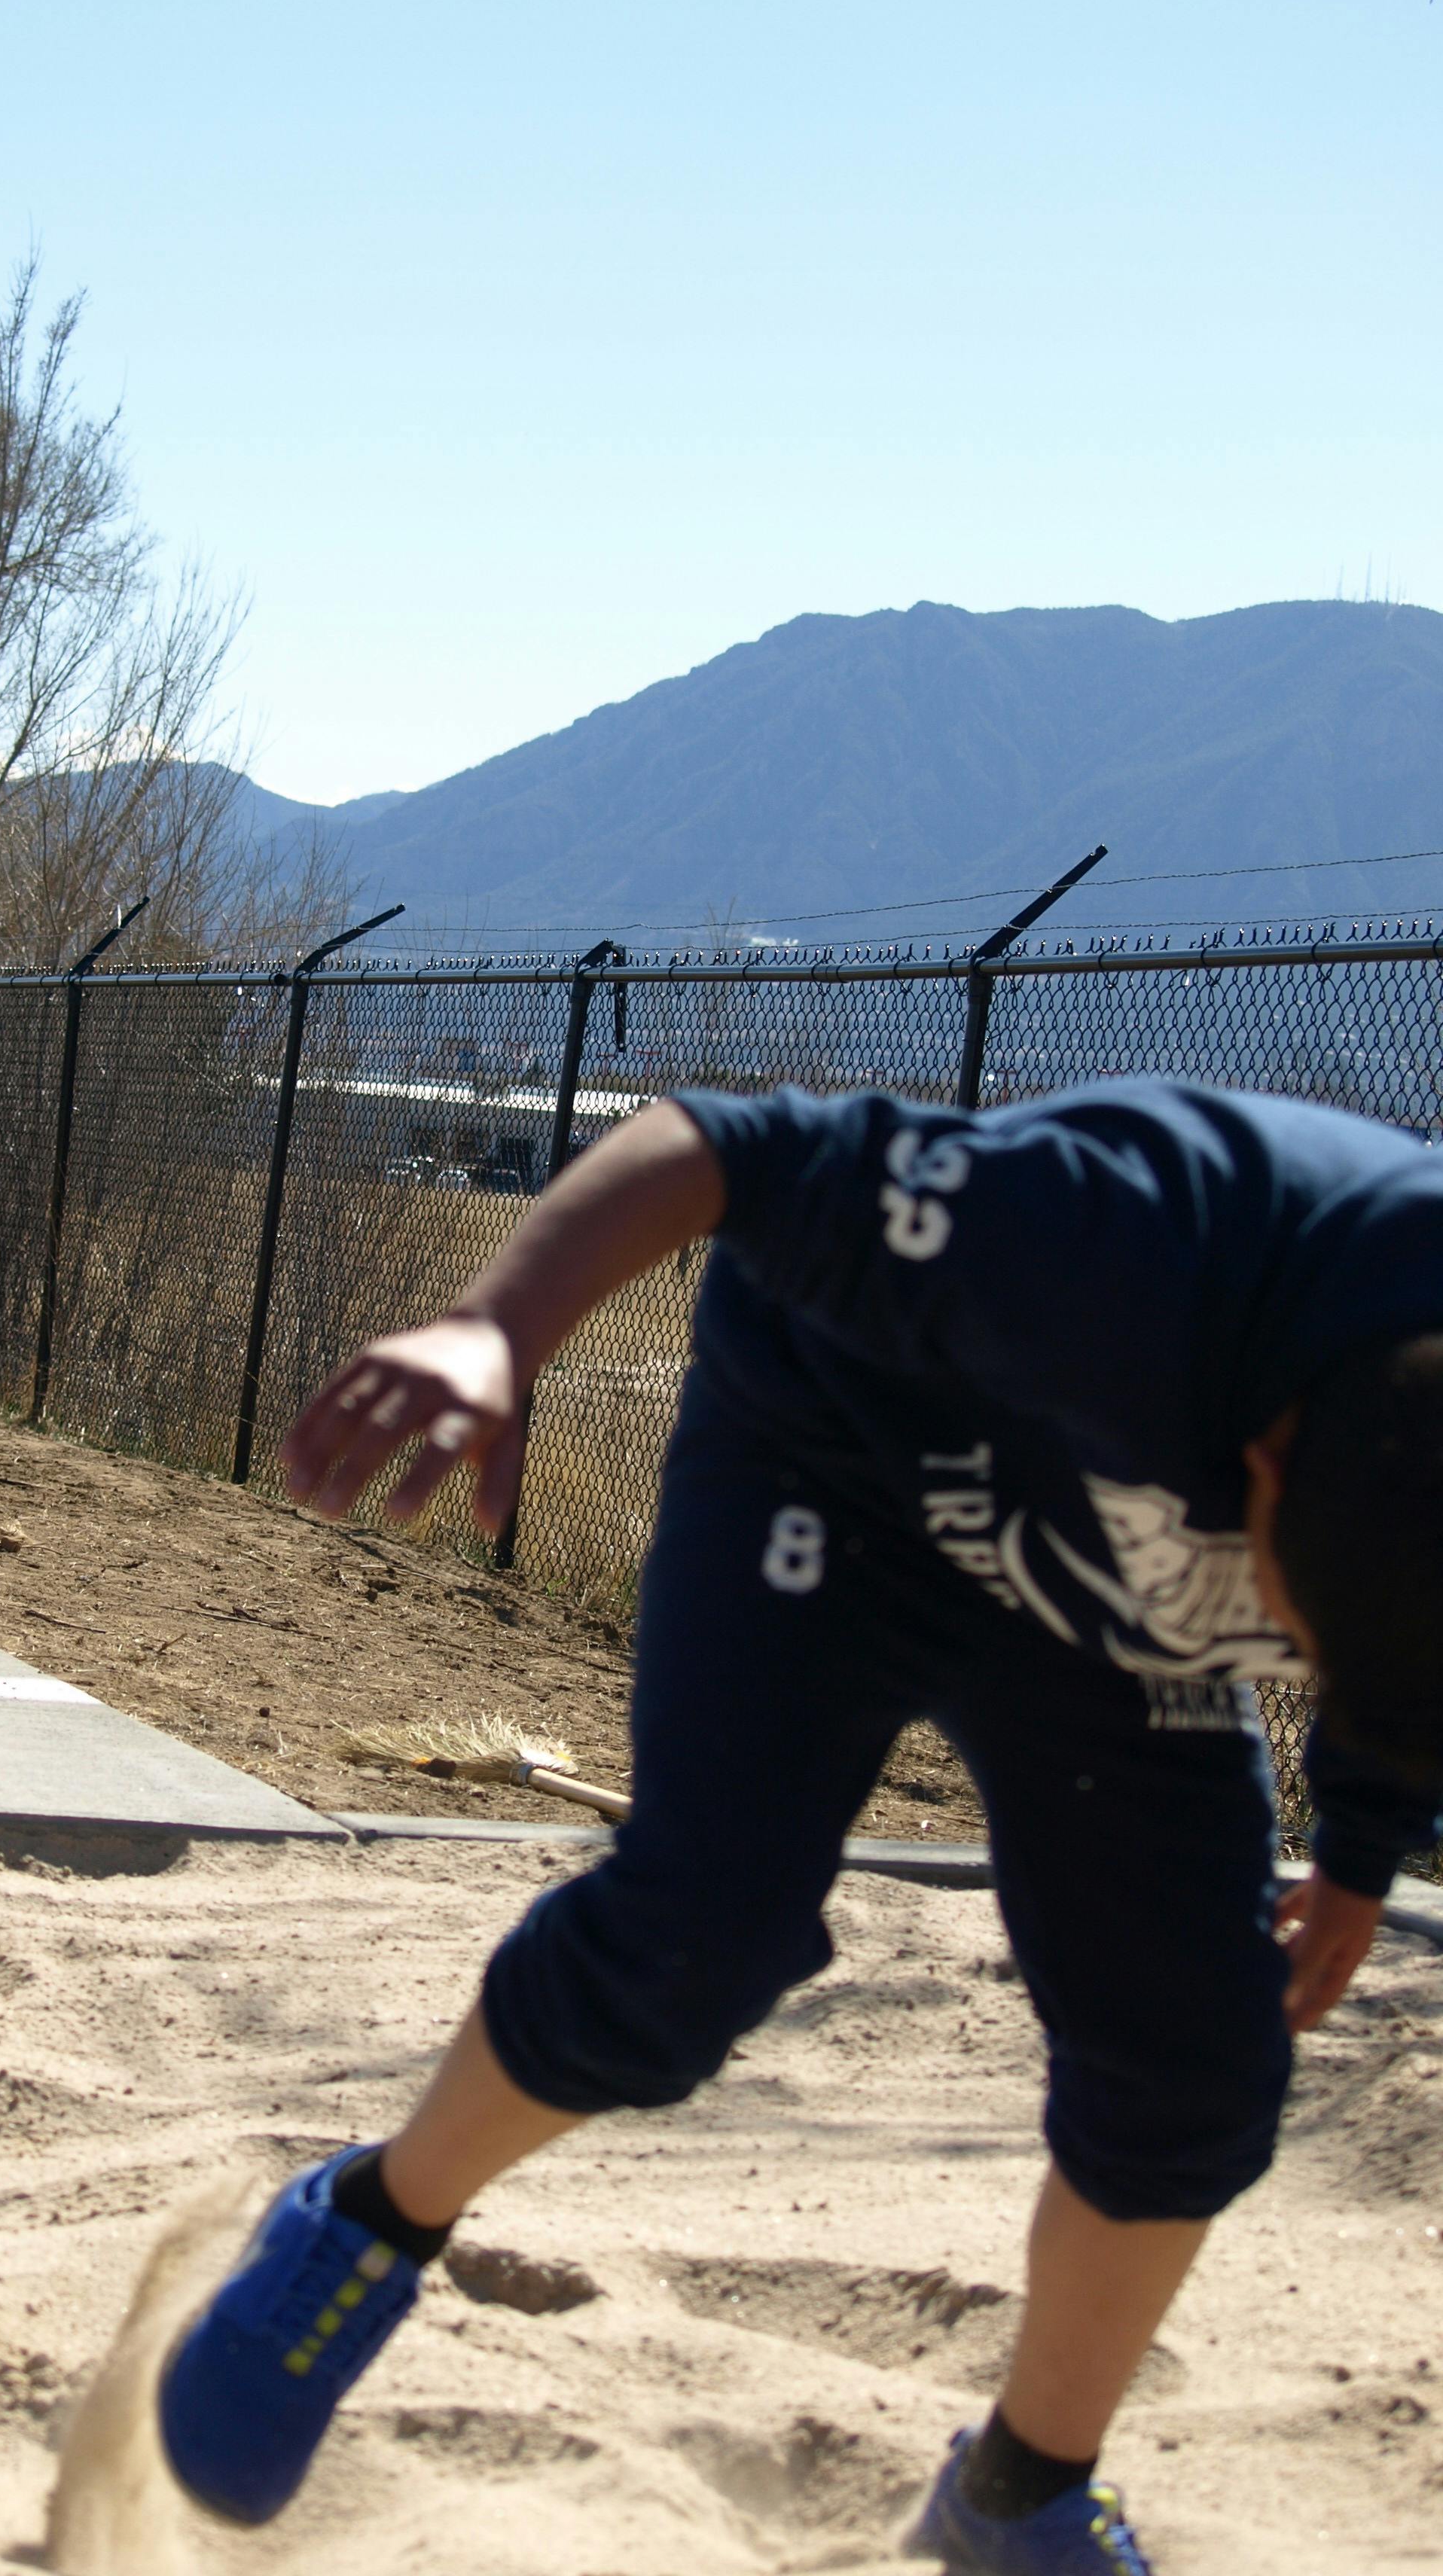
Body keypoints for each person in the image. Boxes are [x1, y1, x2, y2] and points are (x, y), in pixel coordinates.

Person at [155, 1079, 1443, 2572]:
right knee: (705, 1930)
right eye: (1299, 1635)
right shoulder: (1122, 1231)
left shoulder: (1390, 1486)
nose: (1306, 1668)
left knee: (1200, 2052)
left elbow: (1405, 1647)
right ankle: (370, 2221)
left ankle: (1021, 2494)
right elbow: (731, 1145)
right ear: (1268, 1466)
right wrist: (502, 1321)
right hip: (840, 1461)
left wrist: (1356, 1852)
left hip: (1105, 1612)